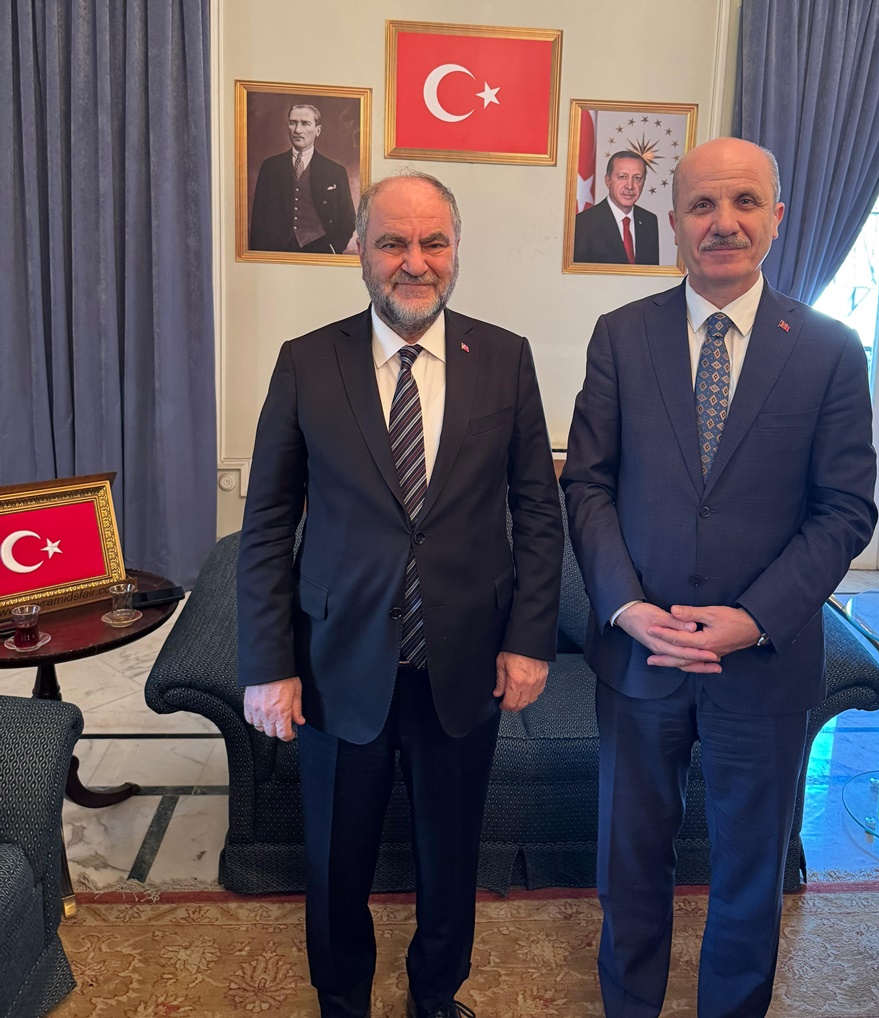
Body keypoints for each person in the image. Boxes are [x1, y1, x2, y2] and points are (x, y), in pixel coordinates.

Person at [560, 136, 878, 1018]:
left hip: (764, 663)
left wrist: (756, 617)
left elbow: (845, 510)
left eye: (744, 202)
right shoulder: (621, 336)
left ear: (778, 218)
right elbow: (586, 484)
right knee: (629, 863)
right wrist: (625, 606)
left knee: (749, 873)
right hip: (641, 657)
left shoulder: (829, 349)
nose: (723, 222)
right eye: (702, 204)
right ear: (674, 222)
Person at [236, 170, 563, 1018]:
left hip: (466, 663)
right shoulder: (307, 362)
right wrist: (268, 664)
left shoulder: (505, 358)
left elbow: (538, 510)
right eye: (392, 242)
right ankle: (342, 999)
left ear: (455, 250)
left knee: (451, 857)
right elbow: (267, 522)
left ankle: (435, 996)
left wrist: (530, 639)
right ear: (359, 249)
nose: (414, 262)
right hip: (339, 661)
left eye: (433, 242)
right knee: (335, 861)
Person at [249, 103, 356, 254]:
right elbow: (258, 218)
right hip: (275, 251)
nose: (298, 130)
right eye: (293, 123)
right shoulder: (270, 167)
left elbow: (348, 219)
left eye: (305, 124)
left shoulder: (335, 172)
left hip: (319, 250)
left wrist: (333, 248)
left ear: (318, 130)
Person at [573, 152, 659, 265]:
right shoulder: (583, 223)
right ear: (608, 181)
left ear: (643, 182)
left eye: (637, 178)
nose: (630, 186)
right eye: (623, 177)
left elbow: (651, 272)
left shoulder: (649, 221)